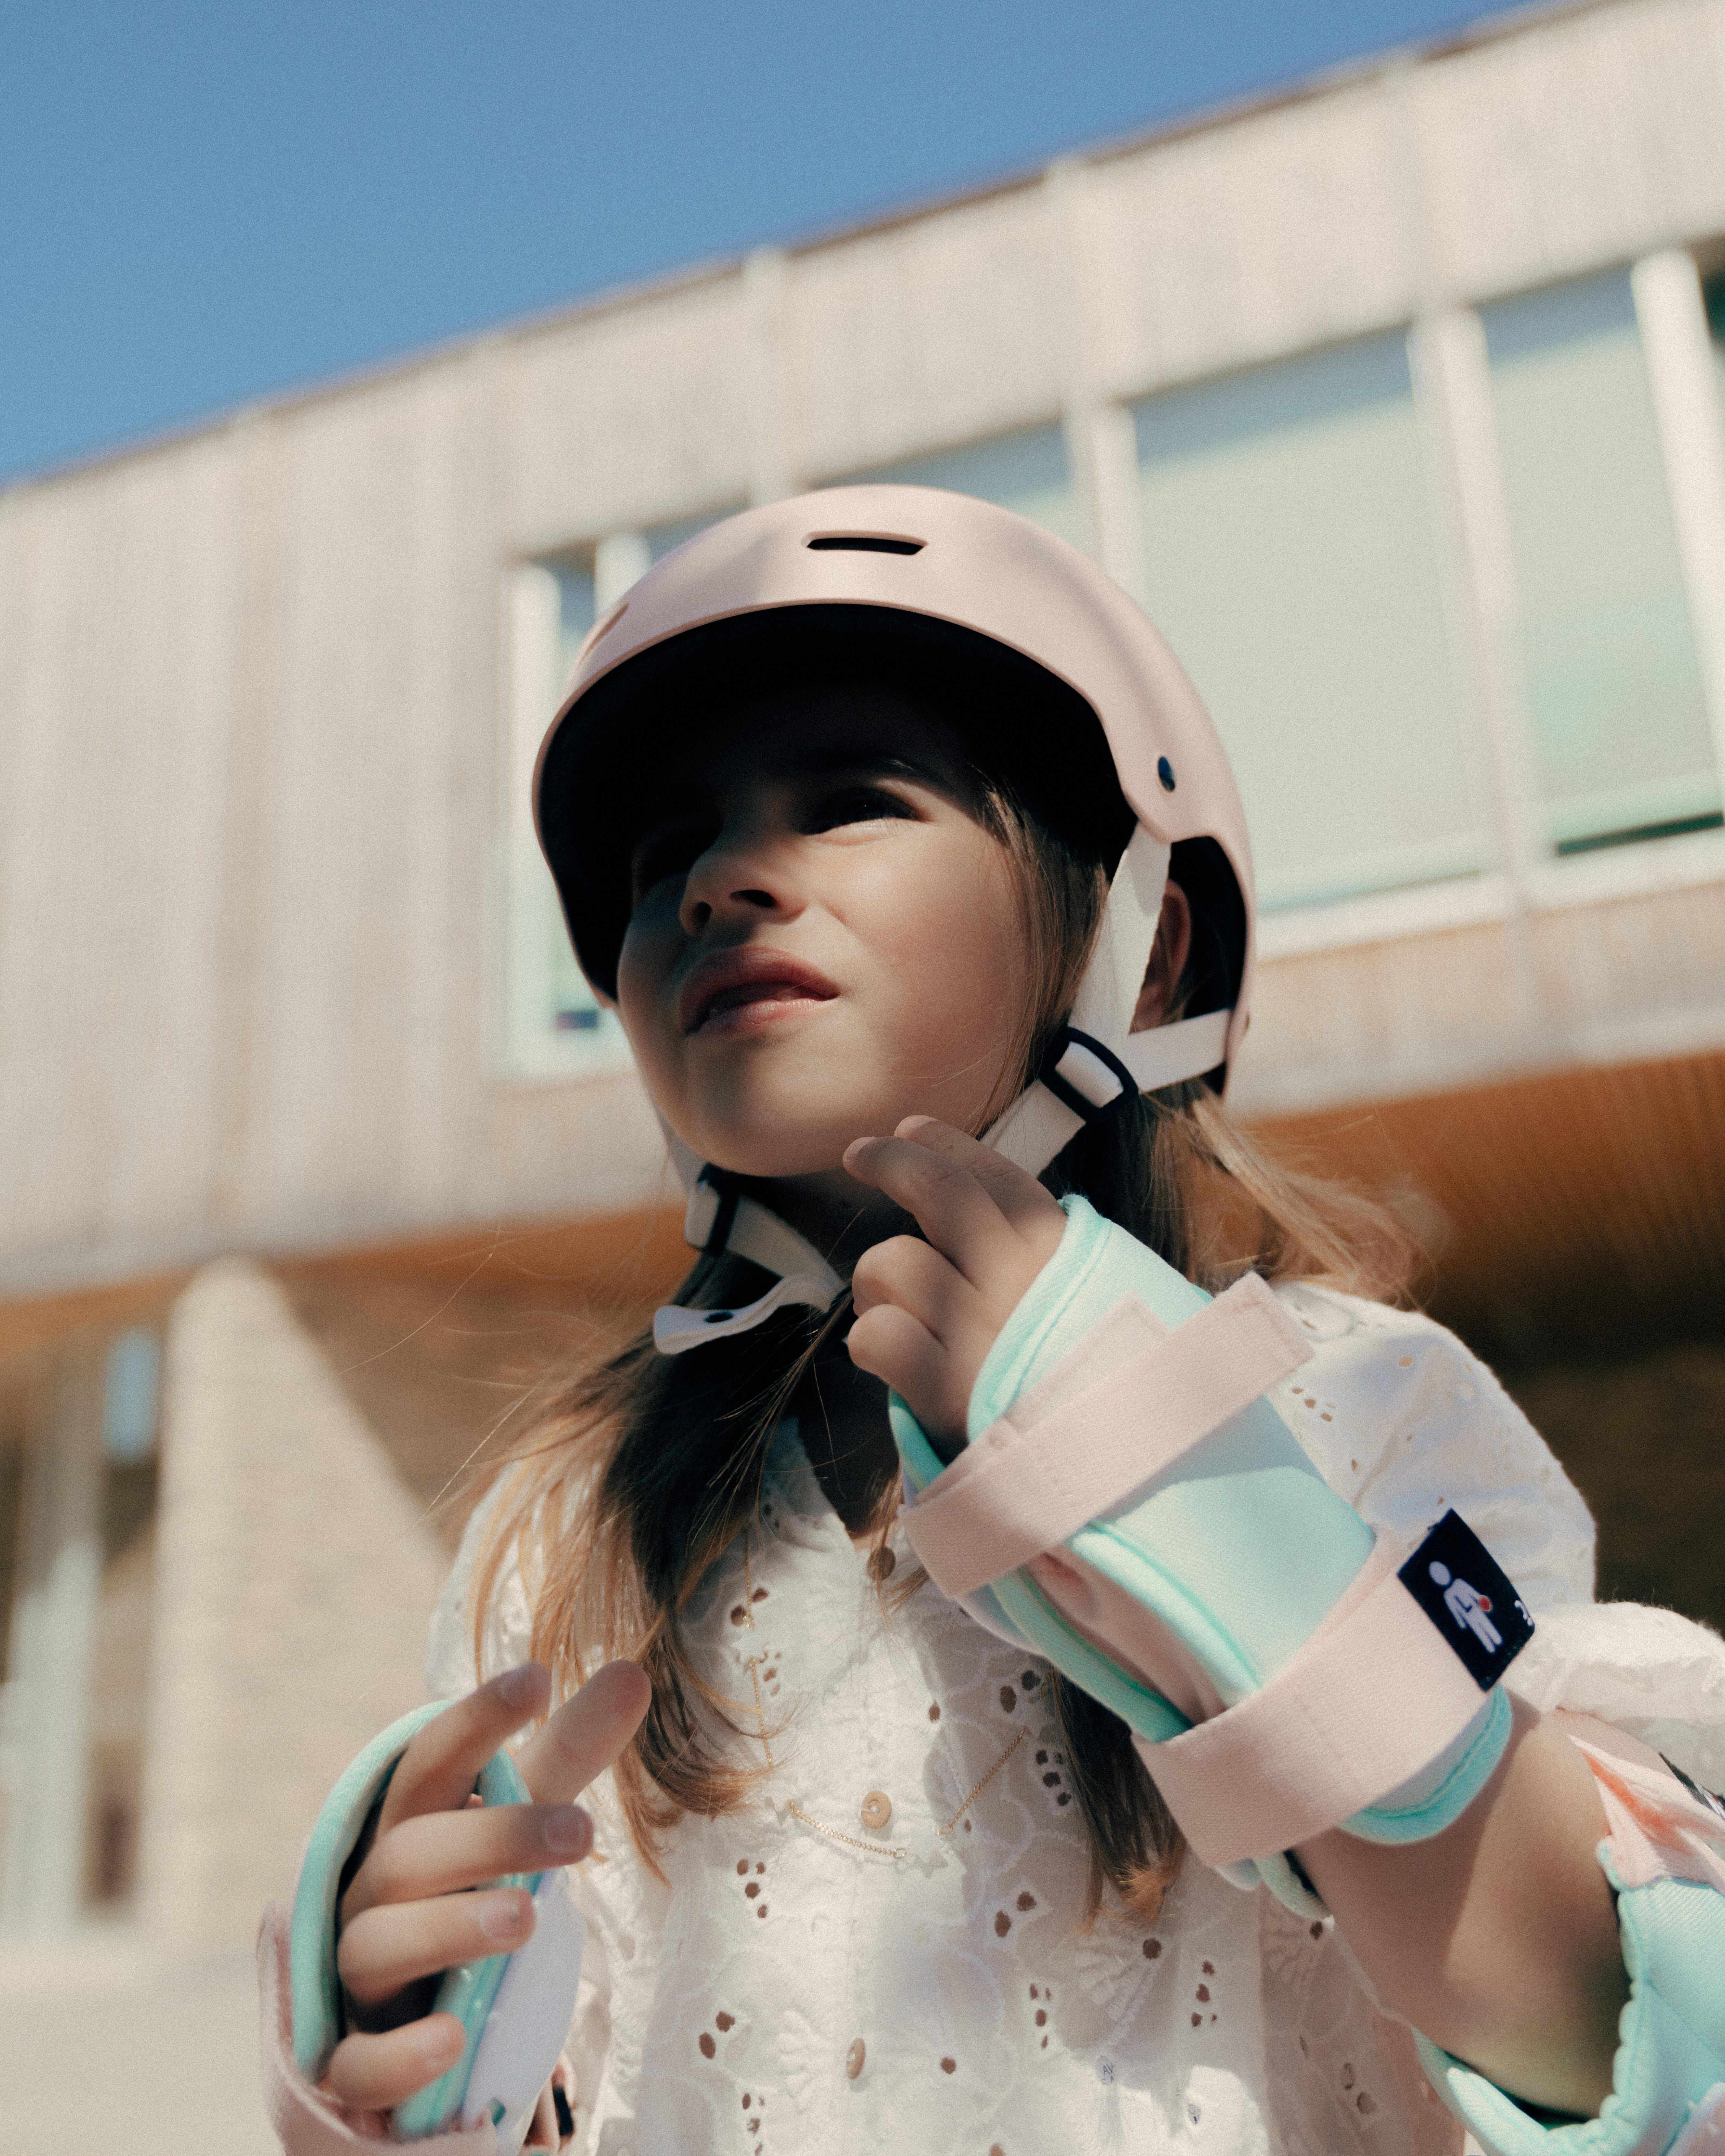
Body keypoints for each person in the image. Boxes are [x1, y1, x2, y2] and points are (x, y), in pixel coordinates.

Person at [262, 487, 1725, 2156]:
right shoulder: (568, 1535)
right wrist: (399, 2079)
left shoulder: (1362, 1397)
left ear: (1143, 946)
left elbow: (1626, 2025)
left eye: (849, 801)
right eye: (667, 855)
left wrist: (1213, 1514)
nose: (724, 880)